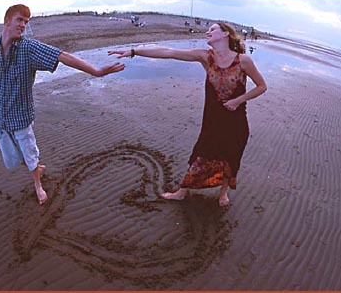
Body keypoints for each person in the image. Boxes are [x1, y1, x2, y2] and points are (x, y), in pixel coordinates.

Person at [0, 4, 125, 205]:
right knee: (12, 159)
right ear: (7, 21)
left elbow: (62, 56)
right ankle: (36, 167)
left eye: (26, 22)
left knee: (29, 154)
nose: (23, 25)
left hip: (20, 117)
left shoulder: (29, 48)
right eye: (20, 20)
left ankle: (38, 184)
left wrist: (95, 71)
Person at [108, 22, 267, 207]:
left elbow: (262, 86)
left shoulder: (243, 61)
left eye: (212, 29)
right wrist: (134, 51)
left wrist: (237, 101)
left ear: (225, 34)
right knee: (201, 153)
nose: (208, 32)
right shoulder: (206, 57)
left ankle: (223, 193)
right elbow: (169, 52)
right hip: (212, 120)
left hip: (236, 121)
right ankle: (181, 192)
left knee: (231, 157)